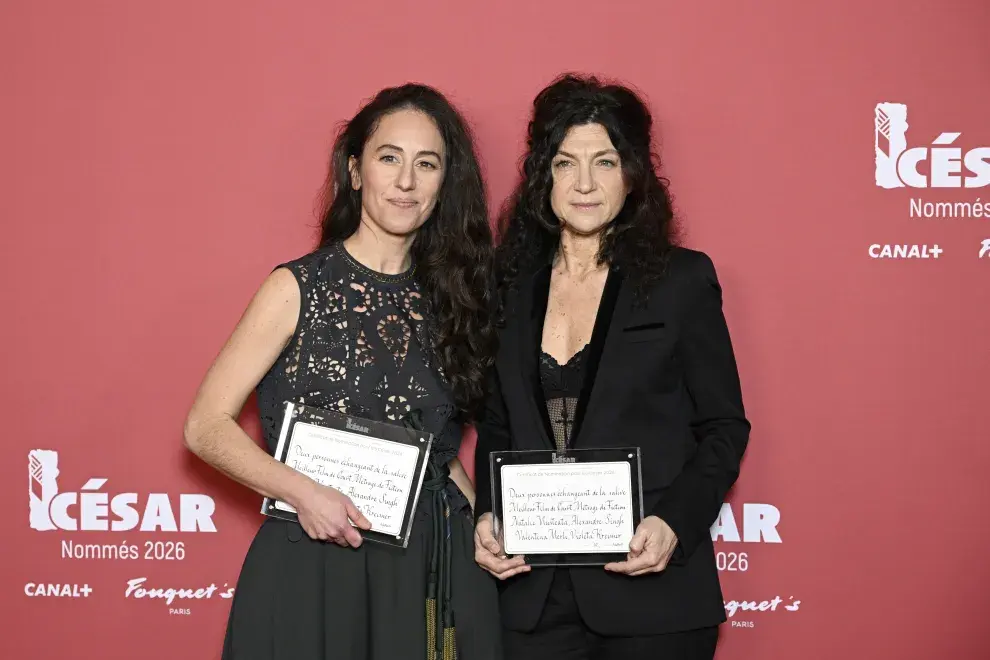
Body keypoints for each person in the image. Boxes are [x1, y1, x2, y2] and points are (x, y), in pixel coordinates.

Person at [183, 83, 503, 660]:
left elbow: (438, 450)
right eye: (389, 158)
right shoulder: (296, 287)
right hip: (316, 560)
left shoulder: (454, 301)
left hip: (429, 569)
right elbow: (205, 425)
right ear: (355, 172)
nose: (406, 182)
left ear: (444, 183)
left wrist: (482, 519)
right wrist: (303, 494)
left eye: (426, 164)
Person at [472, 73, 751, 660]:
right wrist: (488, 514)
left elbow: (724, 427)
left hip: (654, 593)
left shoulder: (681, 281)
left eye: (603, 162)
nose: (584, 184)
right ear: (541, 175)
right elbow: (498, 427)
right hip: (533, 597)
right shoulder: (508, 287)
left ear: (632, 174)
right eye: (565, 163)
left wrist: (674, 524)